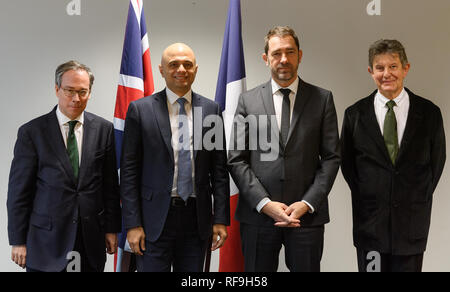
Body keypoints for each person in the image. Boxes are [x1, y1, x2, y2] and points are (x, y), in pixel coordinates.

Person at [227, 26, 340, 272]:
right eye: (277, 53)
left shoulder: (322, 99)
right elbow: (236, 159)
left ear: (300, 55)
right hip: (258, 216)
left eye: (290, 52)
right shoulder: (248, 101)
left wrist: (307, 203)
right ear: (266, 58)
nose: (284, 60)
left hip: (306, 218)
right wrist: (265, 203)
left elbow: (331, 158)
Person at [120, 43, 230, 272]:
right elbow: (129, 171)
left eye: (187, 64)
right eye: (174, 64)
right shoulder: (140, 110)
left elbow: (219, 171)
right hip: (153, 221)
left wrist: (220, 219)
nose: (181, 69)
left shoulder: (211, 110)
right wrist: (132, 224)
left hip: (196, 219)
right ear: (161, 70)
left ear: (196, 69)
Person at [341, 39, 446, 272]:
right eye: (379, 68)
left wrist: (415, 194)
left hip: (411, 225)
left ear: (406, 68)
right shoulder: (354, 115)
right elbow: (348, 166)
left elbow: (436, 164)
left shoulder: (429, 114)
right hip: (370, 227)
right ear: (371, 72)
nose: (386, 73)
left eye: (393, 66)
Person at [7, 60, 122, 272]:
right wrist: (18, 240)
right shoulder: (32, 132)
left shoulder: (104, 130)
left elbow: (110, 187)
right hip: (45, 242)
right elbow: (19, 192)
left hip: (90, 240)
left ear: (89, 92)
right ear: (57, 89)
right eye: (69, 91)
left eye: (83, 91)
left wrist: (112, 229)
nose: (76, 99)